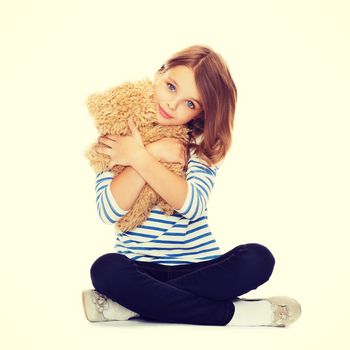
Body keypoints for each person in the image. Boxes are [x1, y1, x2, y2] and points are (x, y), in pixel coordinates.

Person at [82, 44, 301, 327]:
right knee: (105, 269)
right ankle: (236, 315)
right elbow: (109, 211)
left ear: (199, 113)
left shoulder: (200, 145)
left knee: (259, 258)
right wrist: (147, 153)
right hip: (139, 269)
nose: (173, 104)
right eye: (171, 87)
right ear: (159, 74)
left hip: (201, 268)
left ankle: (133, 307)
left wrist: (139, 158)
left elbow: (192, 205)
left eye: (190, 103)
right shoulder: (117, 134)